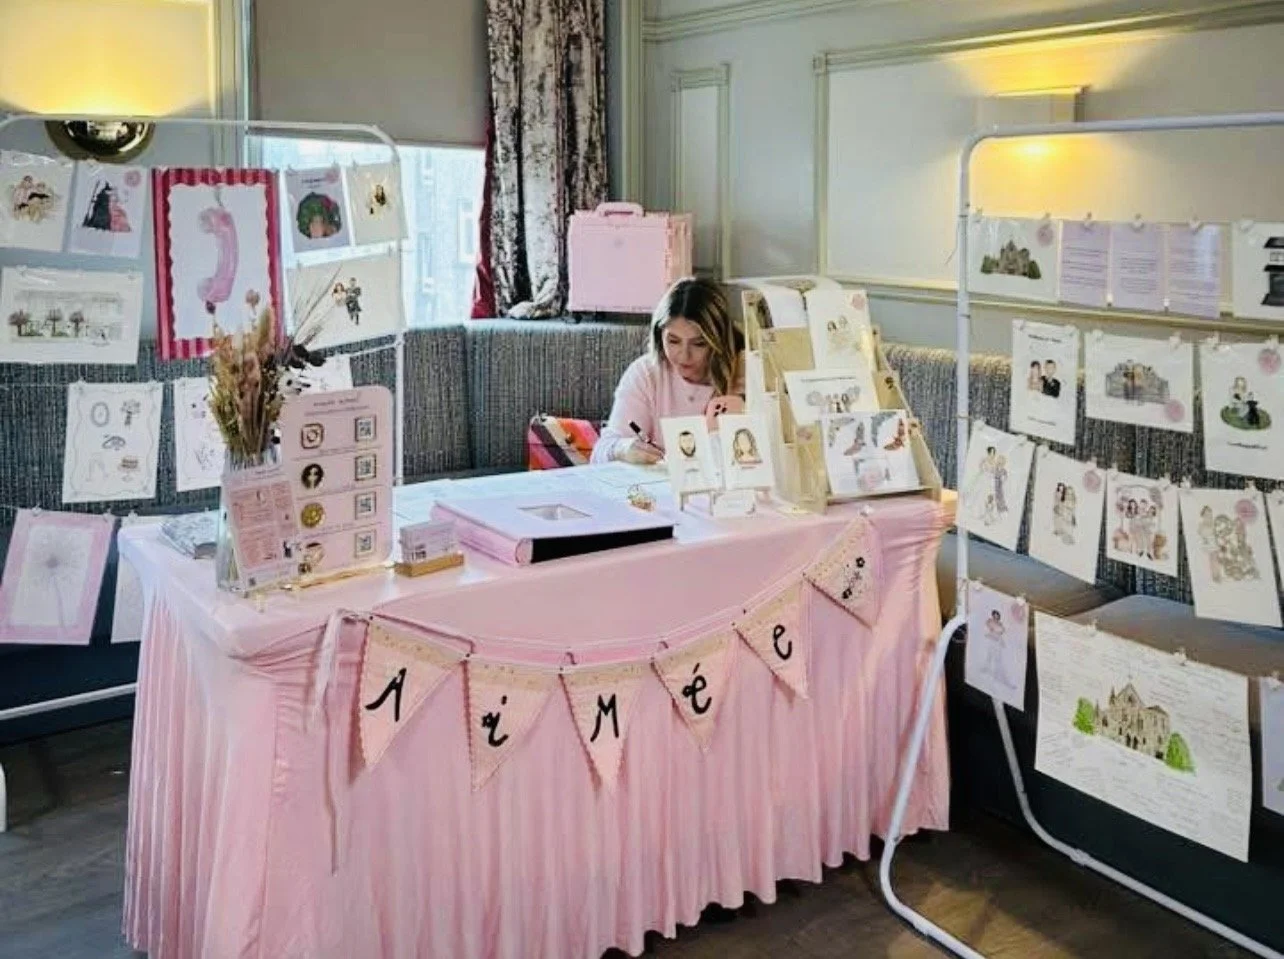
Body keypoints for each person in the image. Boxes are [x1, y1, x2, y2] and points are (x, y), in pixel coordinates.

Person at [592, 277, 743, 465]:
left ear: (718, 341)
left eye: (699, 344)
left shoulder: (744, 371)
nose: (684, 355)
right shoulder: (646, 373)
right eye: (673, 341)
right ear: (659, 335)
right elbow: (600, 453)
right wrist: (623, 448)